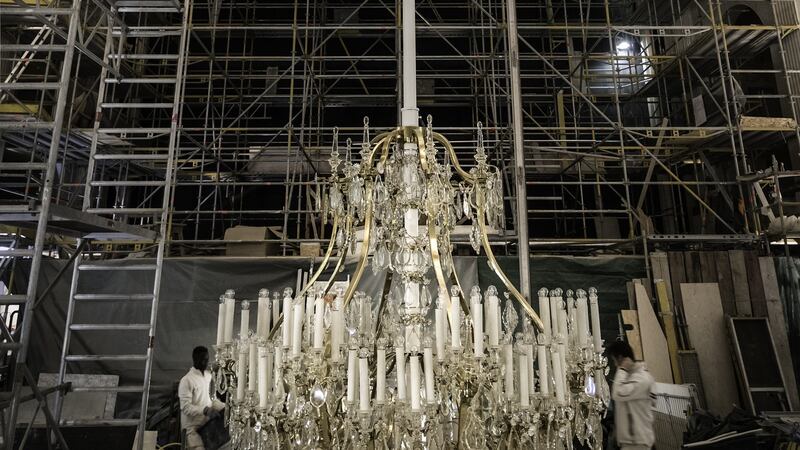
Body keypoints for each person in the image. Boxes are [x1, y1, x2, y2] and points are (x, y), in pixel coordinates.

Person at [607, 340, 655, 450]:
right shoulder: (631, 377)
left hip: (637, 441)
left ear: (620, 358)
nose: (615, 365)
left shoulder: (642, 378)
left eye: (615, 361)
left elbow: (618, 393)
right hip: (632, 441)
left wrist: (622, 369)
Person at [179, 346, 226, 450]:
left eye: (206, 359)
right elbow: (185, 407)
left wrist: (225, 407)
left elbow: (212, 400)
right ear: (195, 359)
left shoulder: (208, 376)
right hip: (192, 430)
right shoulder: (186, 380)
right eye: (202, 360)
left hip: (208, 426)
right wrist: (205, 410)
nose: (205, 362)